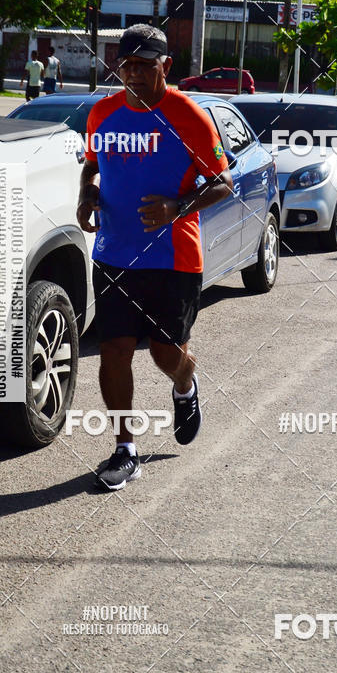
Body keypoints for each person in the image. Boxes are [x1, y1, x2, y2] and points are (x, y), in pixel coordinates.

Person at [76, 24, 233, 490]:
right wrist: (86, 194)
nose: (135, 73)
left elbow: (223, 183)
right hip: (114, 254)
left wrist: (176, 207)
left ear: (166, 66)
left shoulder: (189, 116)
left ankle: (185, 384)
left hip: (173, 258)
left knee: (167, 353)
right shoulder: (103, 113)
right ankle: (125, 449)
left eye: (145, 65)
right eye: (127, 65)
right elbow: (92, 164)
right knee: (114, 350)